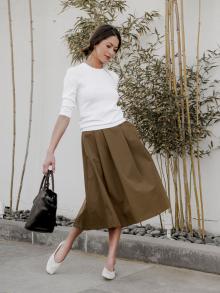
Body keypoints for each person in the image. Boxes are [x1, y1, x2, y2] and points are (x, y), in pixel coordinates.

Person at [42, 24, 170, 280]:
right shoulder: (75, 74)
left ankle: (110, 260)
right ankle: (66, 244)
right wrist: (50, 151)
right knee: (99, 197)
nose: (112, 52)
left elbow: (110, 109)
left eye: (116, 49)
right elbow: (65, 113)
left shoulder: (113, 77)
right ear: (96, 41)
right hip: (93, 139)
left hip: (121, 135)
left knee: (120, 196)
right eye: (108, 46)